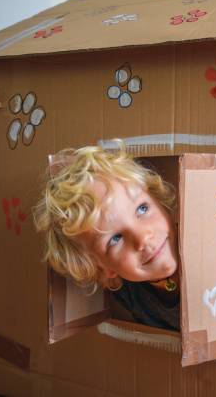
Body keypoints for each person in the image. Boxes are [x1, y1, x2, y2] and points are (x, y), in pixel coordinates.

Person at [33, 141, 180, 330]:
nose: (143, 237)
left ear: (159, 202)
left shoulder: (203, 247)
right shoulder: (128, 294)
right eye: (115, 238)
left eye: (142, 209)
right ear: (103, 269)